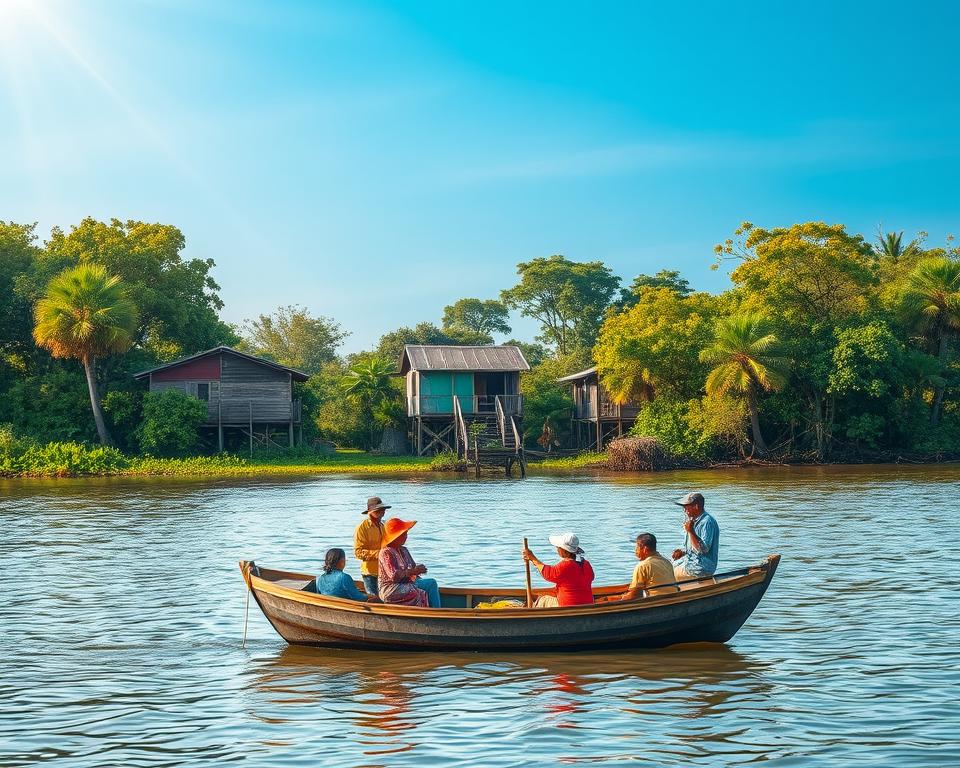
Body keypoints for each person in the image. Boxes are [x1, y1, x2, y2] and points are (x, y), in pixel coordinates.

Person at [377, 517, 442, 608]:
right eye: (404, 534)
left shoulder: (404, 550)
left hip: (407, 583)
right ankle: (427, 615)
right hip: (391, 588)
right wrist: (413, 571)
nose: (406, 536)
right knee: (420, 590)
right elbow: (394, 576)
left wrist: (419, 570)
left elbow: (413, 567)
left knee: (431, 583)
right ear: (396, 536)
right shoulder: (385, 552)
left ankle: (436, 611)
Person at [522, 532, 595, 608]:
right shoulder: (587, 564)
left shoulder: (566, 565)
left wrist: (533, 558)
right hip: (588, 603)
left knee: (542, 600)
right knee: (547, 594)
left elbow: (548, 574)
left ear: (563, 550)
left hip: (568, 605)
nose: (557, 549)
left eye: (558, 547)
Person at [609, 533, 678, 601]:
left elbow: (636, 595)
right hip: (672, 599)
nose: (635, 551)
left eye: (637, 547)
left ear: (645, 549)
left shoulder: (642, 566)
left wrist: (616, 599)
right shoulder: (667, 562)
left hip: (655, 601)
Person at [671, 492, 720, 579]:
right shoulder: (692, 520)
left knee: (665, 572)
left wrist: (691, 531)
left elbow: (703, 550)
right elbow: (693, 548)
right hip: (690, 563)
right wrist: (683, 551)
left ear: (696, 506)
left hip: (699, 568)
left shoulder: (707, 522)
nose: (684, 511)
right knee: (666, 564)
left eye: (686, 507)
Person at [354, 496, 390, 597]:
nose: (383, 512)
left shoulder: (383, 525)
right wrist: (381, 553)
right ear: (370, 511)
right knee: (373, 601)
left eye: (383, 509)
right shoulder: (362, 527)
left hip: (384, 572)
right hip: (370, 574)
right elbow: (358, 553)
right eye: (379, 510)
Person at [315, 547, 380, 602]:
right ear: (342, 561)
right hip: (343, 606)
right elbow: (358, 598)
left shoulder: (319, 578)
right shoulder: (344, 577)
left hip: (329, 605)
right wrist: (373, 597)